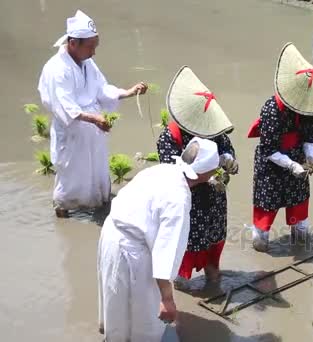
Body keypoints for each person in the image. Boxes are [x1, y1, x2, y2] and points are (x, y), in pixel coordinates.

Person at [97, 138, 220, 342]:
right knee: (143, 315)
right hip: (132, 251)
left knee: (116, 303)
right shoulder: (179, 199)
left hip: (111, 234)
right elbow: (165, 253)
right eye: (214, 168)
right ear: (204, 173)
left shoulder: (162, 170)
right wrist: (167, 299)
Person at [37, 10, 148, 218]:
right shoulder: (57, 69)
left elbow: (101, 89)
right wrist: (93, 119)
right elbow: (64, 106)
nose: (94, 52)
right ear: (73, 43)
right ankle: (62, 214)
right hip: (72, 133)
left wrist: (128, 92)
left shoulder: (87, 63)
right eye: (90, 47)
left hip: (92, 131)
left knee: (97, 173)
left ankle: (99, 208)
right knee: (69, 178)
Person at [247, 43, 313, 252]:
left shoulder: (312, 105)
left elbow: (311, 134)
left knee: (299, 203)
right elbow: (268, 148)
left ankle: (299, 233)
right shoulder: (271, 109)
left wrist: (311, 156)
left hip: (297, 155)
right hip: (272, 161)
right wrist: (292, 165)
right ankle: (260, 236)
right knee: (267, 204)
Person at [157, 66, 238, 289]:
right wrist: (205, 177)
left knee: (214, 238)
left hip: (215, 197)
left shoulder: (212, 127)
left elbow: (226, 147)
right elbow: (172, 175)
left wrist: (229, 159)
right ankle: (181, 281)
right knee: (186, 242)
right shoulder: (169, 138)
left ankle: (213, 273)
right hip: (188, 200)